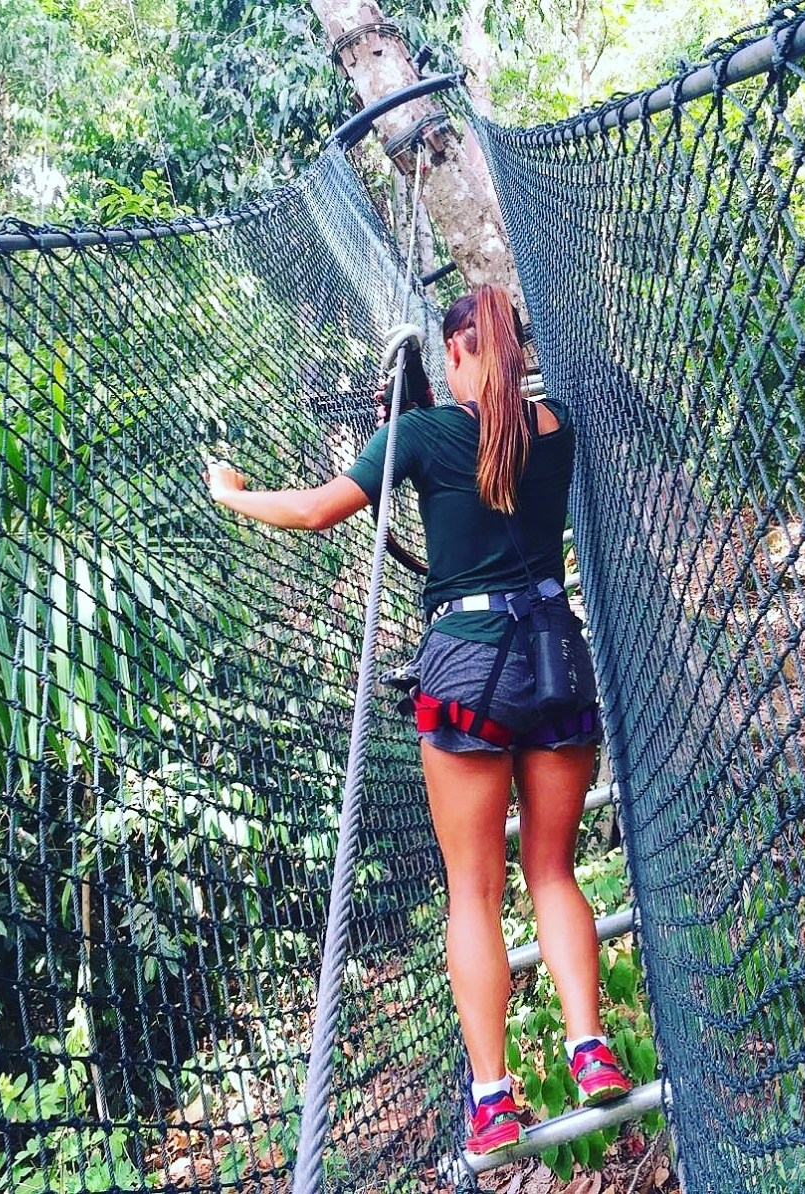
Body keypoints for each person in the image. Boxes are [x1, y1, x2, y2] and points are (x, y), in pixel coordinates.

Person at [205, 284, 632, 1157]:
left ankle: (493, 1100)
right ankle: (590, 1051)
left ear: (460, 352)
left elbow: (317, 510)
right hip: (556, 658)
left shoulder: (424, 435)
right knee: (552, 872)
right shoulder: (557, 427)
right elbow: (496, 456)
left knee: (473, 892)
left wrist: (232, 493)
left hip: (469, 668)